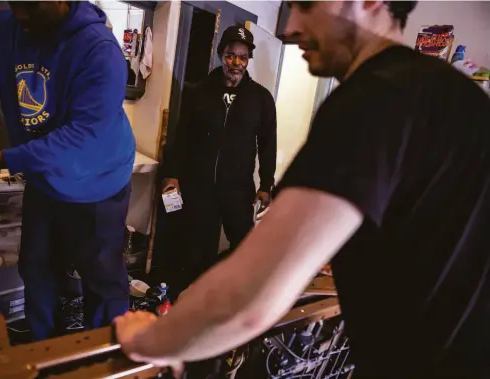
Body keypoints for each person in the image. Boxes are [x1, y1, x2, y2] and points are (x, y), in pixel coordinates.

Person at [115, 1, 490, 378]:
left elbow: (250, 293)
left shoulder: (373, 100)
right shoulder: (460, 96)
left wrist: (151, 339)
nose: (290, 26)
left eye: (305, 4)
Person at [0, 1, 135, 341]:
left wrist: (2, 158)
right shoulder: (7, 28)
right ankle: (43, 351)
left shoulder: (99, 50)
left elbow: (81, 138)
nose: (20, 14)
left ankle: (106, 356)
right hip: (45, 177)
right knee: (37, 270)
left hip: (99, 182)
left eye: (32, 6)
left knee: (102, 280)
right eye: (15, 2)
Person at [162, 25, 277, 277]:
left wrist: (266, 184)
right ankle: (192, 298)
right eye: (230, 55)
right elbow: (182, 137)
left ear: (248, 60)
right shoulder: (197, 92)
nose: (236, 62)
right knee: (197, 253)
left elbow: (268, 145)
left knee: (243, 250)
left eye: (243, 57)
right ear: (220, 54)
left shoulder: (261, 99)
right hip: (200, 189)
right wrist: (172, 174)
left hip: (238, 191)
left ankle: (235, 303)